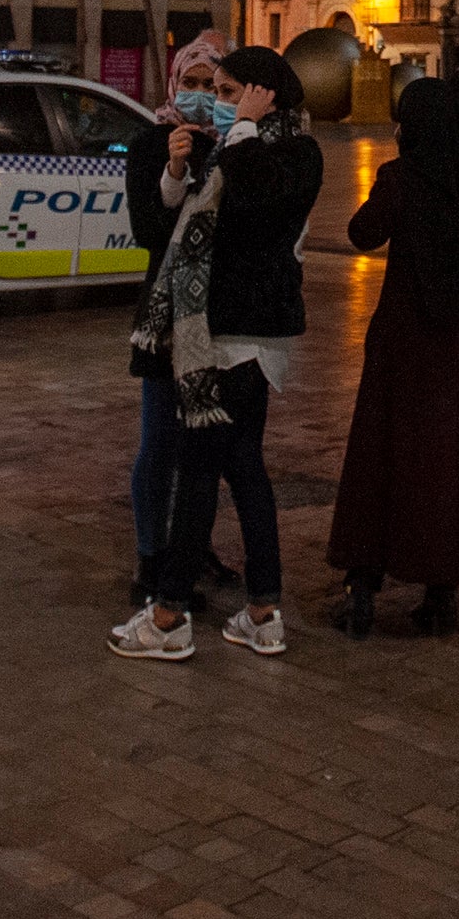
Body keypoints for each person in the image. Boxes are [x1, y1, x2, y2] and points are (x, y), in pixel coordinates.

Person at [111, 46, 323, 661]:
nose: (220, 103)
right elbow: (174, 224)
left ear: (264, 95)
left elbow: (258, 209)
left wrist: (247, 128)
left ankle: (169, 615)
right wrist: (181, 170)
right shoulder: (233, 147)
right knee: (243, 468)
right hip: (220, 330)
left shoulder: (292, 151)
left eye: (231, 91)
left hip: (241, 334)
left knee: (203, 469)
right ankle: (263, 610)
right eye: (216, 90)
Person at [327, 77, 459, 637]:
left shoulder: (400, 177)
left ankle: (365, 581)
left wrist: (383, 192)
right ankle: (441, 592)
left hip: (406, 335)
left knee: (387, 450)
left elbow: (361, 234)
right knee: (457, 454)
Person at [123, 35, 235, 600]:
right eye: (188, 85)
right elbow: (148, 231)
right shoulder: (149, 144)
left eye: (209, 88)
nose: (196, 97)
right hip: (166, 319)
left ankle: (191, 546)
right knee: (160, 441)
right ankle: (150, 557)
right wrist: (173, 170)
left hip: (218, 316)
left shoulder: (232, 147)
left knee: (204, 447)